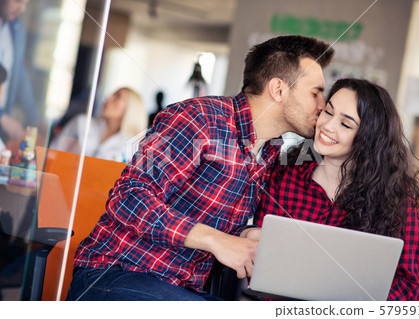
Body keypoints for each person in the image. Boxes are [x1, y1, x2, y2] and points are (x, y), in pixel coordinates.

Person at [66, 35, 335, 301]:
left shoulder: (269, 151)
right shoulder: (198, 119)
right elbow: (128, 198)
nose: (323, 106)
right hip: (115, 276)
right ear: (278, 89)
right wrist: (216, 240)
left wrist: (243, 235)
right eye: (316, 93)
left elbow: (210, 217)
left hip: (180, 290)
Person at [254, 78, 419, 301]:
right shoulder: (285, 173)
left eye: (345, 124)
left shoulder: (396, 195)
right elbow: (261, 262)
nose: (327, 126)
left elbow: (407, 286)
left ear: (369, 139)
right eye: (328, 112)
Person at [50, 87, 148, 162]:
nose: (108, 98)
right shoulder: (81, 124)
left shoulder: (133, 146)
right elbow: (53, 153)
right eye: (112, 94)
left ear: (131, 109)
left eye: (117, 96)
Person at [0, 0, 39, 142]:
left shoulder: (17, 30)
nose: (22, 9)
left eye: (26, 3)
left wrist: (35, 119)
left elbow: (19, 76)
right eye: (18, 1)